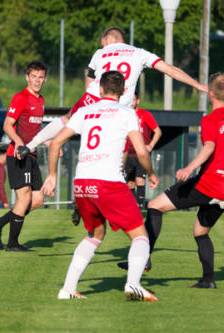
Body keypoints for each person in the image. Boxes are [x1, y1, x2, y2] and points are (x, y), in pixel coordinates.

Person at [21, 26, 206, 223]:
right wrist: (198, 85)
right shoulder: (139, 53)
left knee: (67, 121)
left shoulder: (100, 53)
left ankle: (31, 146)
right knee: (114, 158)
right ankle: (107, 204)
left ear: (106, 39)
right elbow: (170, 70)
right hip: (118, 110)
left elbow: (89, 82)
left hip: (93, 101)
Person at [42, 71, 160, 301]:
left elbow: (55, 142)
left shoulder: (85, 112)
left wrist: (53, 176)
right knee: (140, 236)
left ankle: (67, 289)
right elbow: (141, 151)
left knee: (95, 234)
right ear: (125, 91)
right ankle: (133, 284)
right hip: (108, 182)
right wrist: (151, 173)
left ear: (100, 89)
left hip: (82, 183)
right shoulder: (127, 113)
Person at [119, 73, 224, 288]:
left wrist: (189, 167)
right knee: (200, 231)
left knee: (154, 206)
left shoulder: (211, 119)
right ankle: (208, 280)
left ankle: (144, 259)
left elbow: (210, 146)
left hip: (210, 183)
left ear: (210, 93)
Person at [0, 61, 46, 252]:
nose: (37, 81)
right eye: (34, 77)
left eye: (41, 77)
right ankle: (12, 244)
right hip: (18, 156)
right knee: (24, 199)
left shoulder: (40, 100)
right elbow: (7, 125)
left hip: (33, 156)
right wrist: (19, 143)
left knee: (38, 200)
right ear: (27, 77)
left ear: (45, 79)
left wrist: (51, 142)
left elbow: (36, 132)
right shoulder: (21, 97)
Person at [124, 92, 162, 208]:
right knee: (129, 183)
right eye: (130, 100)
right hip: (127, 154)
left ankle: (140, 206)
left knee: (140, 180)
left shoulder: (145, 115)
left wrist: (150, 145)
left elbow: (158, 131)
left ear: (138, 101)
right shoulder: (124, 115)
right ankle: (132, 207)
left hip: (141, 154)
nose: (131, 103)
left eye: (134, 100)